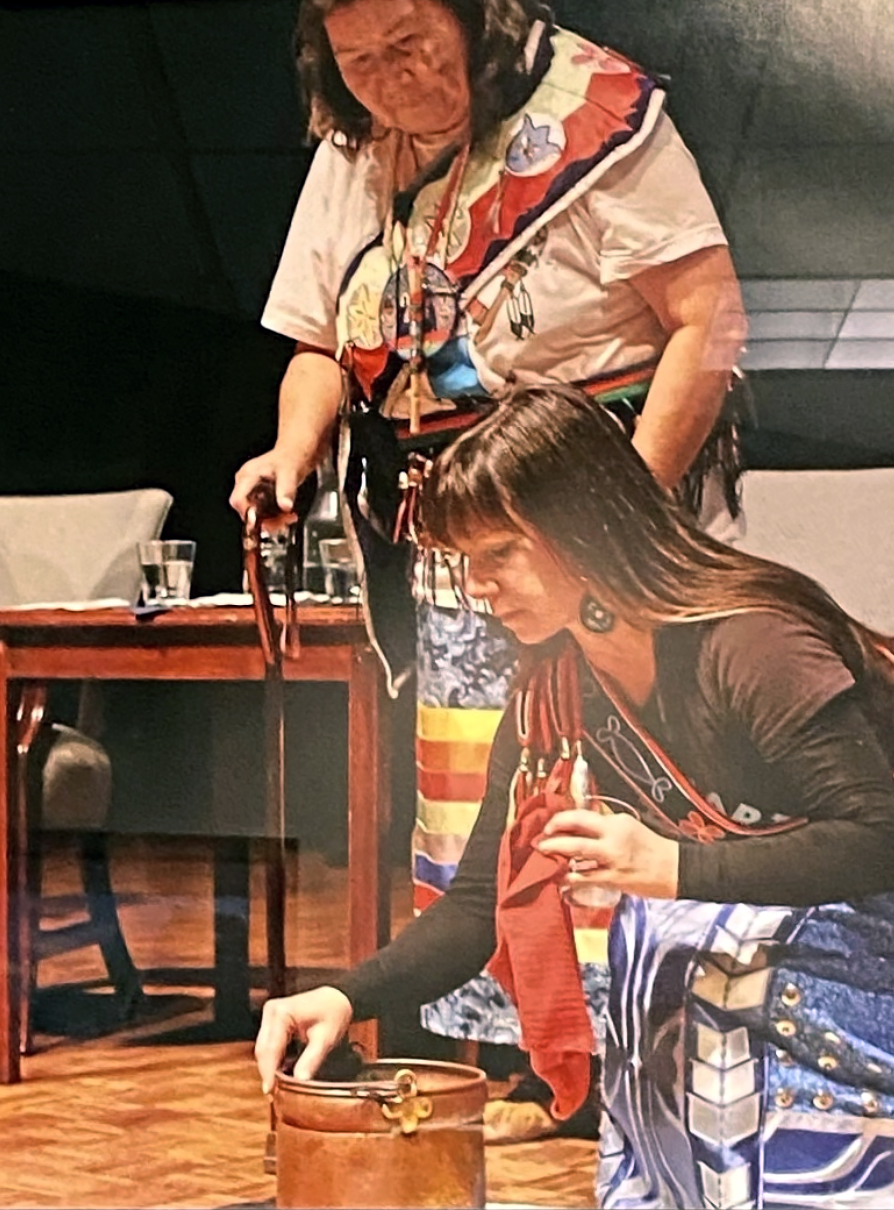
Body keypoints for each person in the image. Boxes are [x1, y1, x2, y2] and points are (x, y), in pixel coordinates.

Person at [256, 384, 894, 1209]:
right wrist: (345, 997)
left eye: (499, 556)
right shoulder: (558, 682)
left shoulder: (749, 638)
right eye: (464, 563)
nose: (476, 589)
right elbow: (480, 898)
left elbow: (873, 842)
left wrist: (667, 863)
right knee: (657, 938)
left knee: (693, 941)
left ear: (581, 529)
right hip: (848, 865)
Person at [229, 0, 746, 1137]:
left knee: (607, 777)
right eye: (358, 61)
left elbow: (706, 317)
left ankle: (633, 1058)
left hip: (598, 493)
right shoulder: (357, 149)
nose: (389, 79)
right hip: (452, 518)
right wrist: (291, 448)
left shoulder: (594, 114)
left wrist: (624, 521)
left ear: (480, 21)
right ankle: (531, 1062)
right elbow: (321, 338)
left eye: (411, 44)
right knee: (480, 786)